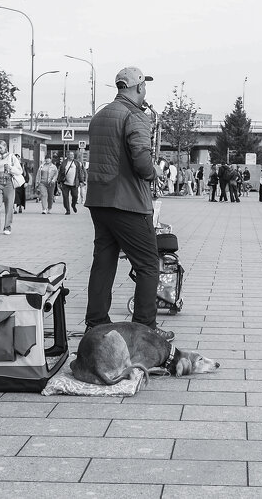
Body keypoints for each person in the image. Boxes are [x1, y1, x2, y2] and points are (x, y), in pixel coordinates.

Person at [83, 66, 173, 341]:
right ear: (137, 87)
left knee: (104, 262)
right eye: (144, 86)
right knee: (148, 264)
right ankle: (145, 328)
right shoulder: (136, 116)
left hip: (99, 201)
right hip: (128, 202)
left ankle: (96, 322)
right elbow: (142, 164)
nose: (145, 91)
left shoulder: (99, 116)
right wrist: (156, 171)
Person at [0, 139, 22, 235]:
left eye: (1, 148)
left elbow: (19, 170)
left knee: (9, 206)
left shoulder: (12, 157)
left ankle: (7, 227)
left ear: (5, 147)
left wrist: (10, 168)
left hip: (9, 183)